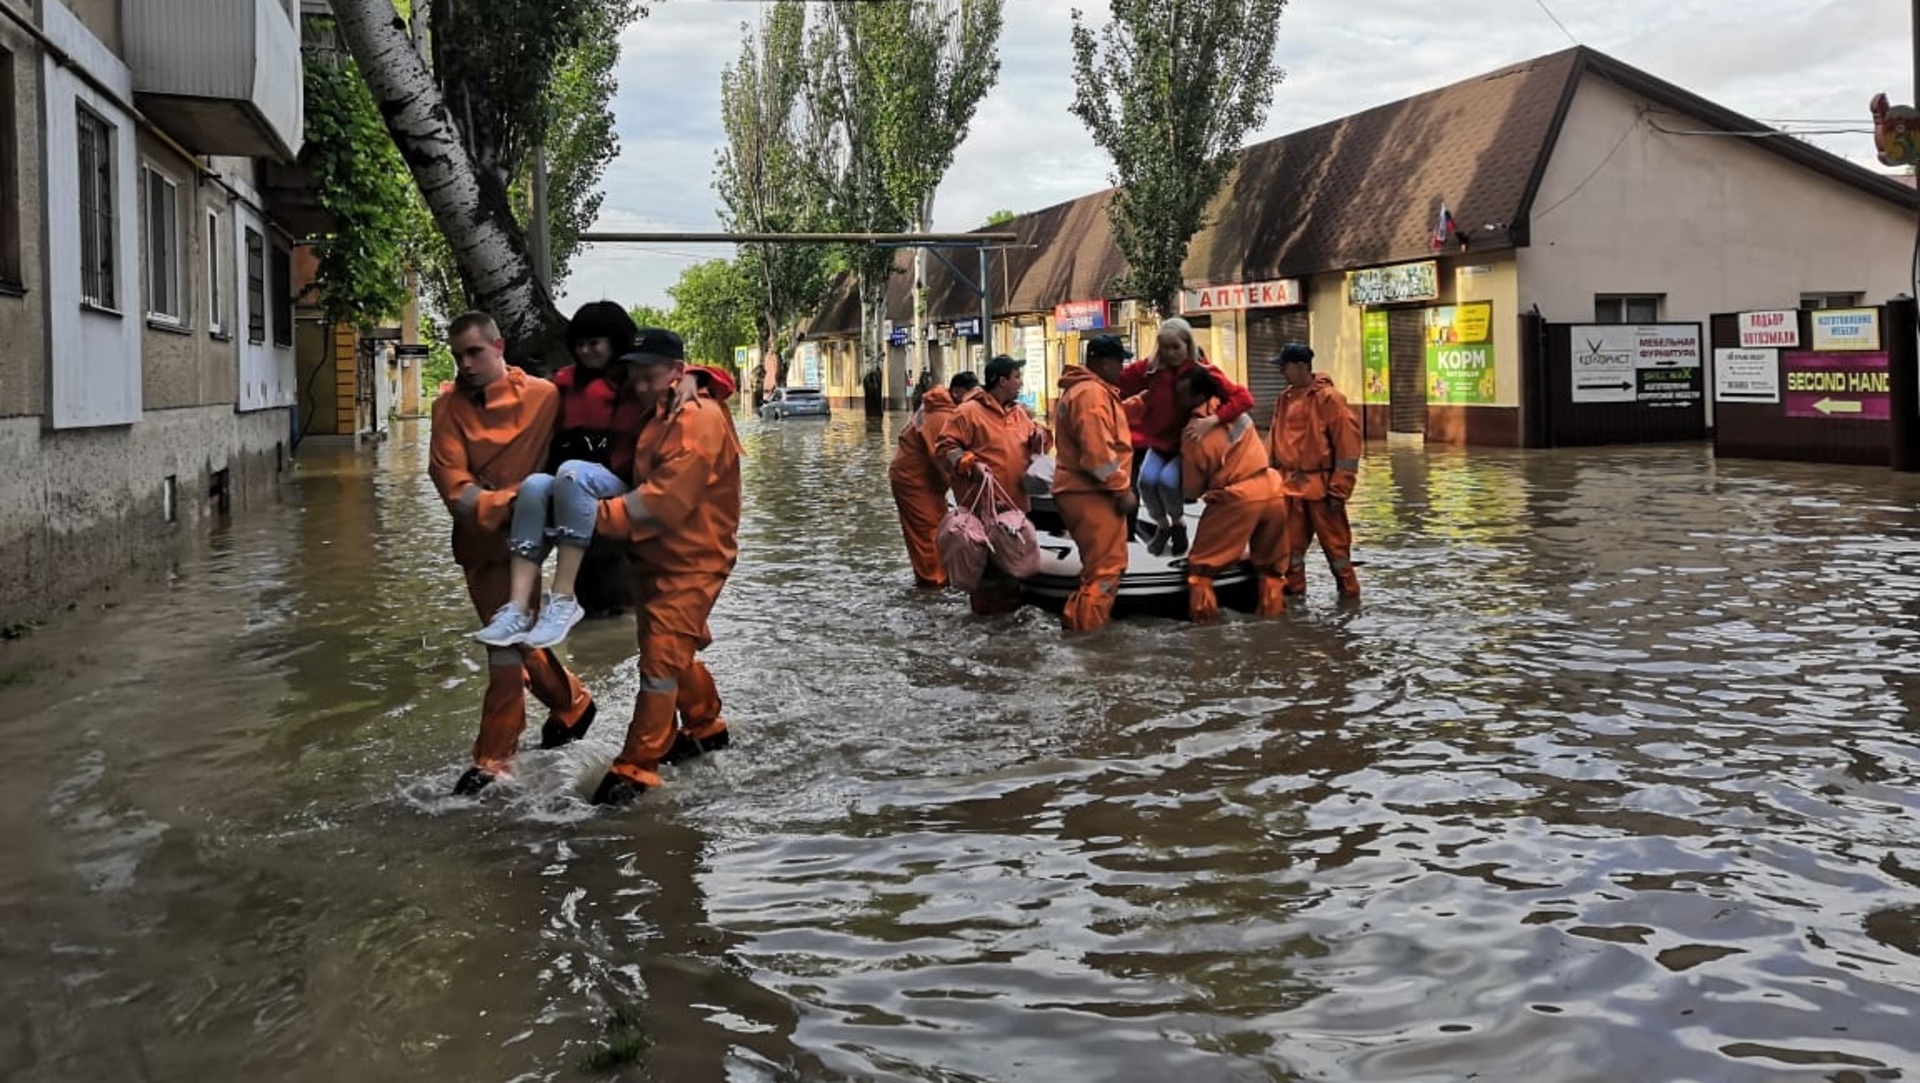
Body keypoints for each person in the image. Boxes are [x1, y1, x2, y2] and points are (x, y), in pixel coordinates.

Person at [473, 304, 724, 650]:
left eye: (596, 343)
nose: (587, 351)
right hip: (575, 510)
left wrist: (697, 376)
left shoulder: (641, 386)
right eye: (581, 344)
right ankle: (521, 607)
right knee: (536, 486)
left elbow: (700, 379)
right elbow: (516, 401)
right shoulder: (561, 386)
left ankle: (567, 606)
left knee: (653, 634)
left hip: (616, 506)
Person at [428, 311, 596, 795]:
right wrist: (514, 498)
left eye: (474, 352)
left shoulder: (544, 395)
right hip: (477, 543)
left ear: (499, 347)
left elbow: (608, 391)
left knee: (502, 647)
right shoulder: (447, 411)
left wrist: (694, 381)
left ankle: (494, 758)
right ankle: (573, 702)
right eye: (457, 355)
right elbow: (451, 486)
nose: (465, 364)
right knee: (517, 638)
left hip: (524, 544)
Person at [589, 328, 744, 807]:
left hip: (691, 559)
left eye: (648, 373)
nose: (639, 384)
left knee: (659, 660)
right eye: (633, 374)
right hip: (662, 556)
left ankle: (634, 772)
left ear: (676, 371)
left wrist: (590, 517)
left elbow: (664, 503)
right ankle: (705, 727)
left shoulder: (693, 418)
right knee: (668, 647)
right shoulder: (665, 407)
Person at [1118, 317, 1255, 558]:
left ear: (1187, 346)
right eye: (1165, 348)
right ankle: (1162, 525)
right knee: (1146, 482)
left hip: (1184, 446)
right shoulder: (1151, 369)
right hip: (1159, 444)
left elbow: (1243, 399)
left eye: (1175, 348)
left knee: (1169, 483)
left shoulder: (1202, 372)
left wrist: (1212, 420)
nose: (1170, 354)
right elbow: (1119, 380)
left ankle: (1178, 522)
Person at [1174, 365, 1290, 623]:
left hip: (1238, 496)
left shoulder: (1193, 432)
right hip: (1272, 486)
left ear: (1195, 396)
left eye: (1180, 393)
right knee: (1272, 570)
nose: (1175, 398)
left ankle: (1206, 637)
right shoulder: (1234, 409)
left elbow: (1191, 490)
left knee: (1201, 569)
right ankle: (1274, 629)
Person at [936, 355, 1050, 616]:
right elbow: (945, 449)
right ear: (1002, 381)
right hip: (982, 511)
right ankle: (987, 624)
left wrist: (1040, 437)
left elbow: (1036, 444)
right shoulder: (968, 413)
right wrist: (970, 464)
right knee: (987, 576)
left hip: (1014, 508)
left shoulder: (1018, 413)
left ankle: (1006, 626)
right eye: (1016, 377)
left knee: (1012, 573)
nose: (1020, 383)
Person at [1050, 334, 1136, 632]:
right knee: (1105, 572)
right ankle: (1089, 640)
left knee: (1098, 570)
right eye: (1118, 361)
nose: (1122, 368)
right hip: (1091, 493)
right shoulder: (1091, 394)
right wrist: (1121, 489)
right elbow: (1098, 454)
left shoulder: (1084, 392)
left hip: (1081, 491)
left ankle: (1081, 628)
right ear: (1101, 362)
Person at [1268, 343, 1362, 599]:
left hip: (1323, 491)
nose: (1281, 373)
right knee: (1290, 552)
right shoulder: (1284, 399)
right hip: (1290, 487)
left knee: (1337, 553)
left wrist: (1339, 490)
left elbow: (1348, 449)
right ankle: (1295, 600)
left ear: (1300, 367)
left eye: (1284, 367)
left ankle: (1349, 598)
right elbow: (1274, 444)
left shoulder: (1330, 399)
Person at [889, 370, 981, 589]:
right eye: (972, 395)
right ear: (957, 392)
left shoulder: (940, 408)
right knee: (927, 533)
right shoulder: (941, 416)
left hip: (923, 479)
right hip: (913, 481)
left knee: (939, 529)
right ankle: (933, 584)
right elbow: (943, 459)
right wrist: (968, 497)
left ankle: (941, 578)